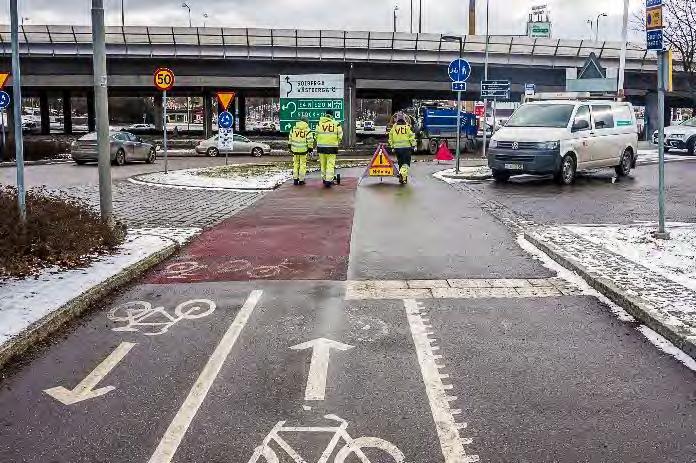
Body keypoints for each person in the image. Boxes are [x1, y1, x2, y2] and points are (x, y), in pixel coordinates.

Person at [314, 109, 343, 188]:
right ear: (332, 115)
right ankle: (328, 180)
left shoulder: (319, 123)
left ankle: (324, 178)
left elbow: (315, 135)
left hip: (321, 147)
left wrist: (320, 141)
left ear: (325, 115)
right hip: (332, 147)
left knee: (323, 164)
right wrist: (336, 142)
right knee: (330, 164)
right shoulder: (336, 124)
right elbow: (340, 136)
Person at [388, 113, 416, 184]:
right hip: (406, 148)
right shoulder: (407, 127)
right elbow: (411, 137)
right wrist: (414, 145)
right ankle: (402, 175)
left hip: (397, 149)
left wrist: (392, 146)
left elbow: (390, 138)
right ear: (404, 119)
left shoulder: (394, 128)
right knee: (406, 164)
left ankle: (403, 179)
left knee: (400, 163)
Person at [288, 116, 314, 185]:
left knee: (296, 164)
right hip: (303, 150)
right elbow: (310, 140)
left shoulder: (293, 129)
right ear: (306, 122)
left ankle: (295, 179)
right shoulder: (307, 130)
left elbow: (290, 138)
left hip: (295, 150)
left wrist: (289, 146)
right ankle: (301, 180)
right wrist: (310, 148)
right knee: (303, 165)